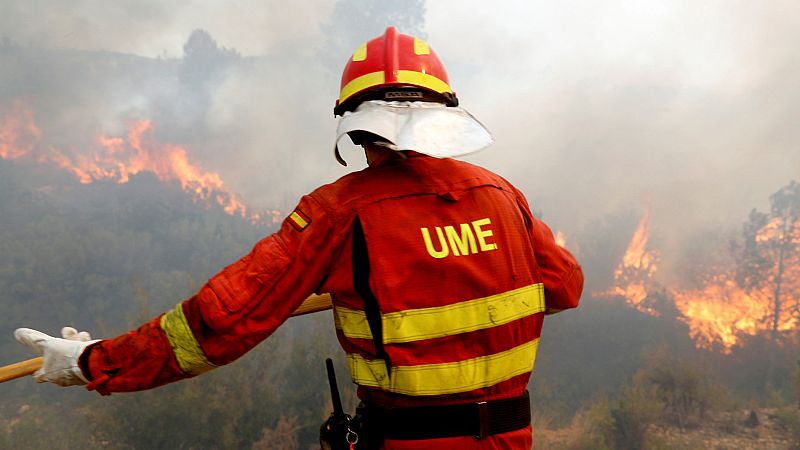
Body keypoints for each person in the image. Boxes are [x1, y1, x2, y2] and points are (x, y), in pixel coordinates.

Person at [15, 27, 583, 449]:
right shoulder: (501, 195)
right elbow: (564, 287)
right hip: (511, 439)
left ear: (356, 127)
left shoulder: (340, 214)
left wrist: (93, 362)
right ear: (444, 113)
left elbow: (220, 322)